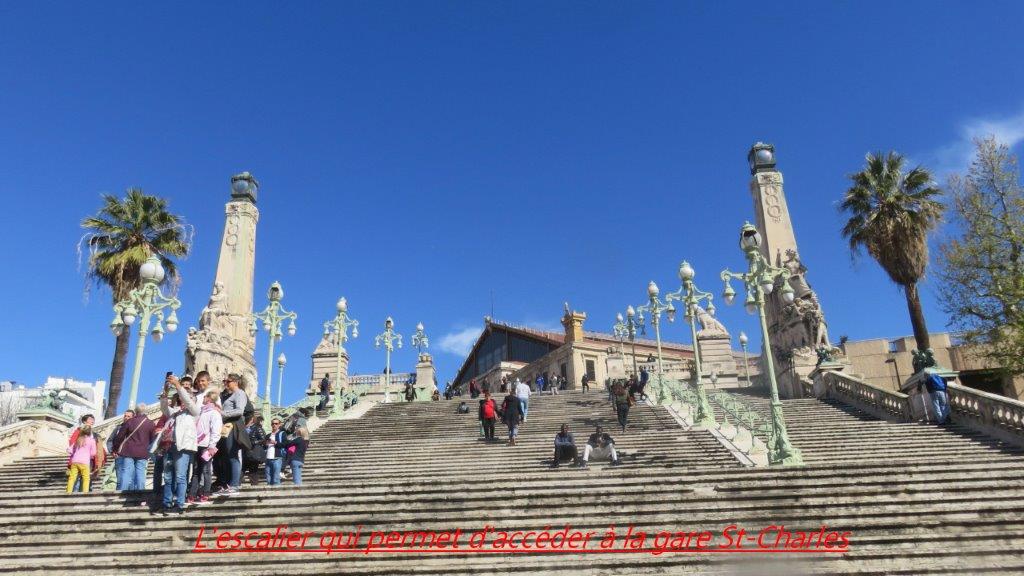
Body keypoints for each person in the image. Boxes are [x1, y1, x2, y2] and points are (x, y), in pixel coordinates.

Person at [158, 389, 198, 514]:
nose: (185, 399)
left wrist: (178, 387)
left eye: (189, 397)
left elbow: (189, 402)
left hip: (183, 446)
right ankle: (167, 503)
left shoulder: (193, 411)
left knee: (181, 476)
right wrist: (164, 397)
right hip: (169, 446)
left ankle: (180, 504)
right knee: (168, 477)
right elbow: (165, 409)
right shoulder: (175, 411)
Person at [214, 373, 251, 495]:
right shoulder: (232, 395)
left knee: (232, 454)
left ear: (235, 382)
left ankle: (234, 485)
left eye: (228, 381)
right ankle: (229, 483)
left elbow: (240, 411)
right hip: (227, 426)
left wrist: (222, 413)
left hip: (233, 425)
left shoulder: (239, 393)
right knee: (227, 455)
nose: (226, 383)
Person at [188, 389, 222, 504]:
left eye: (204, 397)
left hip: (206, 445)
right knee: (197, 470)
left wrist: (212, 445)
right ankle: (192, 494)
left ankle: (205, 493)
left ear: (209, 398)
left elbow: (216, 430)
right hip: (197, 444)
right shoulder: (202, 411)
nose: (202, 399)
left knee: (206, 470)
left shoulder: (214, 412)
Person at [111, 405, 156, 491]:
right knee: (141, 473)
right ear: (146, 411)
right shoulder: (150, 423)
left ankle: (122, 492)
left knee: (126, 472)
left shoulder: (130, 421)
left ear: (136, 411)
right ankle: (141, 494)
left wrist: (115, 448)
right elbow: (152, 439)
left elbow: (120, 436)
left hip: (128, 451)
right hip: (143, 452)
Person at [68, 414, 105, 493]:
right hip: (86, 460)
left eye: (93, 419)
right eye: (90, 419)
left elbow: (71, 448)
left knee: (75, 477)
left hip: (80, 460)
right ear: (84, 421)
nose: (92, 421)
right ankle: (81, 492)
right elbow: (72, 442)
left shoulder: (95, 435)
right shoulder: (79, 431)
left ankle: (71, 491)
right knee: (83, 478)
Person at [66, 424, 97, 493]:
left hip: (75, 461)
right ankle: (85, 492)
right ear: (90, 432)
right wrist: (90, 455)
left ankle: (69, 491)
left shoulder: (78, 439)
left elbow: (70, 450)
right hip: (85, 461)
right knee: (86, 478)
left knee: (72, 477)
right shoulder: (92, 440)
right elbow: (93, 453)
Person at [106, 409, 133, 490]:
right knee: (119, 479)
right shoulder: (118, 428)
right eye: (125, 416)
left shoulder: (134, 428)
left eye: (128, 416)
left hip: (131, 455)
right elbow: (110, 440)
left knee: (129, 479)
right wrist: (112, 451)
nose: (126, 417)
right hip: (119, 456)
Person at [264, 418, 286, 487]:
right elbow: (264, 446)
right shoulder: (268, 435)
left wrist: (275, 442)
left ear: (279, 425)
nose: (274, 425)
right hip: (268, 458)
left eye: (276, 423)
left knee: (276, 478)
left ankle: (277, 492)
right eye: (273, 423)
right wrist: (265, 444)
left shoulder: (282, 433)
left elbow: (285, 444)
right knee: (268, 478)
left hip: (277, 458)